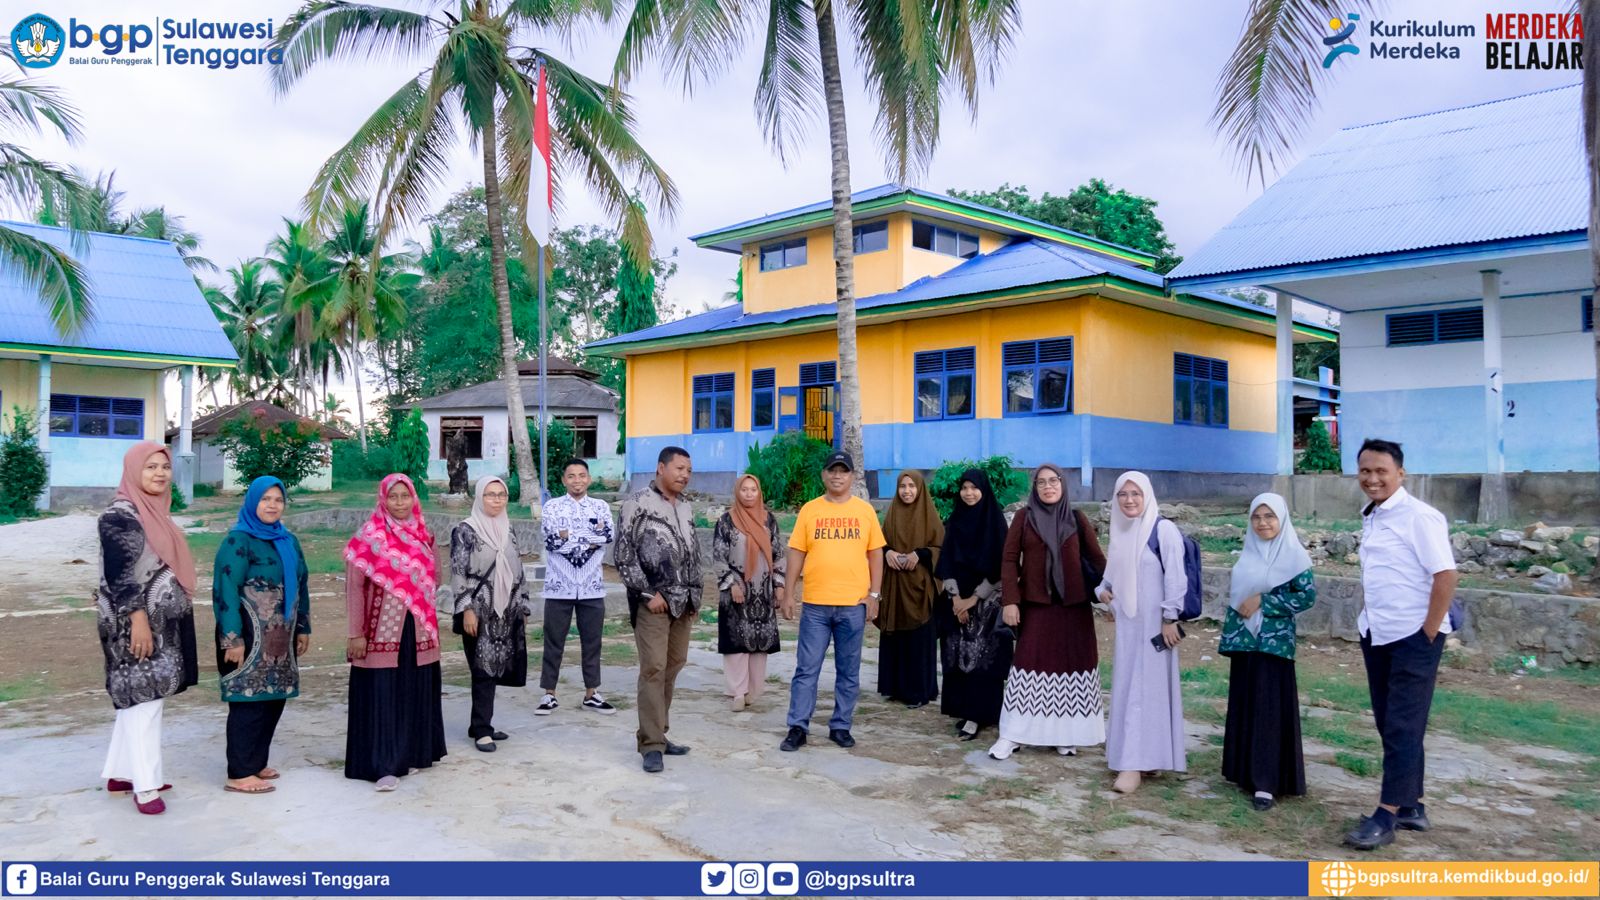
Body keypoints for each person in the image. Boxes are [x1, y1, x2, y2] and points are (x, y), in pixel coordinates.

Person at [1342, 438, 1458, 851]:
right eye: (1365, 472)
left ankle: (1386, 815)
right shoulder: (1372, 514)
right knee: (1391, 723)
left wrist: (1427, 630)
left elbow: (1445, 575)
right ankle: (1412, 805)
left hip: (1413, 637)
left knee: (1402, 726)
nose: (1372, 479)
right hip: (1377, 632)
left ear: (1400, 474)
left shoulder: (1420, 517)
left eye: (1381, 472)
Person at [97, 442, 199, 815]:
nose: (159, 473)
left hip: (160, 620)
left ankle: (120, 774)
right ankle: (145, 786)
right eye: (150, 467)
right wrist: (137, 619)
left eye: (164, 467)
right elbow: (121, 577)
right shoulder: (120, 516)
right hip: (134, 622)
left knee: (136, 697)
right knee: (145, 700)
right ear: (133, 470)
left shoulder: (156, 512)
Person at [987, 463, 1107, 761]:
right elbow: (1009, 560)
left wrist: (1113, 598)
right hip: (1037, 606)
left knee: (1070, 669)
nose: (1048, 487)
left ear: (1063, 485)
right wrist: (1010, 601)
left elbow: (1098, 560)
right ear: (1035, 488)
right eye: (1041, 482)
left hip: (1073, 608)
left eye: (1053, 481)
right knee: (1027, 669)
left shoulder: (1077, 519)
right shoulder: (1024, 518)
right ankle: (1012, 735)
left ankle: (1066, 735)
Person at [343, 474, 447, 790]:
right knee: (382, 694)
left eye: (405, 496)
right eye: (394, 497)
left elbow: (436, 577)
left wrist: (411, 591)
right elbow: (354, 588)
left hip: (417, 631)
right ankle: (382, 766)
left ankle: (406, 756)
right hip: (379, 632)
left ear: (414, 498)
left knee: (411, 691)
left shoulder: (424, 536)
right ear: (383, 499)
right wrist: (355, 632)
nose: (400, 503)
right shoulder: (369, 538)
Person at [779, 451, 886, 752]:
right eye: (832, 471)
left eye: (844, 471)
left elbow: (875, 554)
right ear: (823, 475)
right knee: (806, 669)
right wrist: (788, 593)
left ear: (852, 477)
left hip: (853, 605)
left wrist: (874, 596)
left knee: (849, 670)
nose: (837, 476)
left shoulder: (865, 512)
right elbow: (797, 552)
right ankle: (798, 726)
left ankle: (840, 726)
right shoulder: (809, 511)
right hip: (815, 605)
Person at [212, 476, 310, 794]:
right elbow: (225, 590)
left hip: (281, 638)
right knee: (247, 700)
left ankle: (255, 762)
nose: (272, 505)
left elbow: (302, 584)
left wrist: (304, 626)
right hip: (248, 636)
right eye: (265, 499)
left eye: (278, 500)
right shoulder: (238, 541)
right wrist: (232, 638)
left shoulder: (288, 541)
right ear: (253, 501)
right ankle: (239, 772)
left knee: (273, 698)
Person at [1221, 492, 1316, 811]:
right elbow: (1236, 601)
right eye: (1257, 517)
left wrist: (1265, 600)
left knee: (1269, 710)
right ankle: (1243, 772)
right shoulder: (1247, 555)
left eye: (1269, 517)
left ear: (1282, 519)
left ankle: (1267, 782)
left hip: (1274, 644)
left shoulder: (1294, 557)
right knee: (1246, 704)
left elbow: (1306, 597)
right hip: (1246, 643)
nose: (1263, 523)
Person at [1097, 471, 1187, 794]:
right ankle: (1142, 757)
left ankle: (1133, 764)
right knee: (1129, 687)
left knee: (1145, 690)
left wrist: (1169, 618)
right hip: (1128, 627)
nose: (1129, 500)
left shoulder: (1163, 531)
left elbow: (1176, 578)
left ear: (1147, 495)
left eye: (1135, 493)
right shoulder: (1121, 532)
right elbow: (1108, 580)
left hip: (1154, 628)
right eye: (1123, 494)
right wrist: (1103, 594)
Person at [615, 446, 701, 774]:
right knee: (653, 667)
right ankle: (650, 744)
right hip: (652, 603)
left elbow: (692, 553)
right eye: (679, 468)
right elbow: (623, 554)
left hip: (684, 603)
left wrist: (695, 598)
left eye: (688, 470)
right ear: (660, 468)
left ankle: (660, 732)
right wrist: (648, 593)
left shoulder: (687, 507)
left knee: (674, 665)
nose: (684, 475)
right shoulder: (637, 503)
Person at [449, 475, 532, 752]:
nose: (496, 499)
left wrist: (524, 605)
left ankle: (480, 724)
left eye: (501, 494)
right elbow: (458, 574)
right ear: (479, 497)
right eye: (490, 494)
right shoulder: (465, 530)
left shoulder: (508, 529)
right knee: (482, 668)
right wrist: (467, 611)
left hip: (506, 610)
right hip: (478, 609)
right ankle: (482, 731)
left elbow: (517, 568)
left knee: (494, 668)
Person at [934, 469, 1014, 741]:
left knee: (983, 661)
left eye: (974, 488)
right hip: (957, 604)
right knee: (957, 658)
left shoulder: (995, 523)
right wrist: (956, 598)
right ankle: (964, 710)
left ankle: (979, 715)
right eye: (964, 488)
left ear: (984, 490)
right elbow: (946, 562)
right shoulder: (955, 521)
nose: (968, 493)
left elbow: (1001, 566)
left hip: (986, 605)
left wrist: (973, 599)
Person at [538, 459, 616, 716]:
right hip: (558, 586)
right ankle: (549, 693)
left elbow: (607, 536)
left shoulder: (601, 506)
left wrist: (570, 536)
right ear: (563, 480)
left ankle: (592, 693)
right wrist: (587, 537)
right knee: (554, 641)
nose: (577, 480)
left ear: (589, 479)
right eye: (571, 476)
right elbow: (550, 541)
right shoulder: (552, 507)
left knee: (592, 642)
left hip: (592, 587)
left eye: (582, 475)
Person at [711, 474, 786, 711]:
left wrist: (779, 585)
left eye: (753, 489)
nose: (749, 494)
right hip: (736, 590)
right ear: (737, 492)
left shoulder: (769, 520)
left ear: (759, 492)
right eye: (744, 489)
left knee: (758, 642)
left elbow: (779, 554)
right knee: (736, 642)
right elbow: (718, 556)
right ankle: (737, 692)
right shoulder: (726, 521)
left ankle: (754, 690)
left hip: (762, 591)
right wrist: (731, 584)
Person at [877, 470, 943, 708]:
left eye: (911, 486)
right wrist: (889, 552)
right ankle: (894, 687)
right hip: (895, 585)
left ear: (920, 489)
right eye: (902, 486)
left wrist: (920, 554)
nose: (907, 491)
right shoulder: (892, 513)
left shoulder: (929, 515)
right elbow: (880, 543)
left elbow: (940, 547)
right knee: (896, 636)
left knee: (918, 639)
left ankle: (919, 691)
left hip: (920, 587)